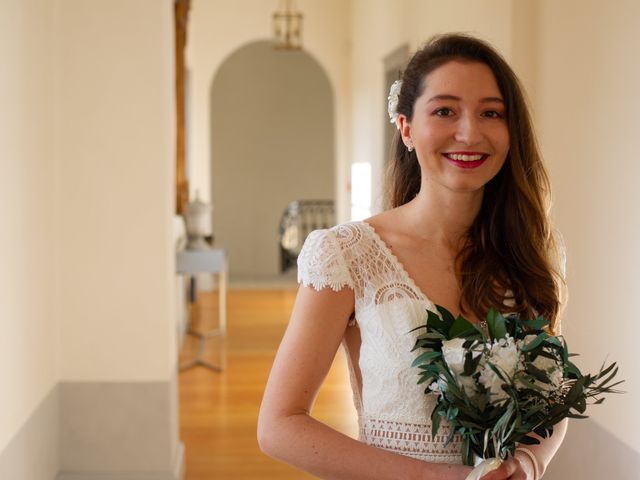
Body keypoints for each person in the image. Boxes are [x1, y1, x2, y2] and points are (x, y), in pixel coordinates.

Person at [258, 33, 568, 480]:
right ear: (406, 127)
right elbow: (278, 426)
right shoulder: (349, 254)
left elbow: (552, 394)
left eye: (491, 113)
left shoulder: (527, 250)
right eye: (445, 111)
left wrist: (530, 463)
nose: (470, 132)